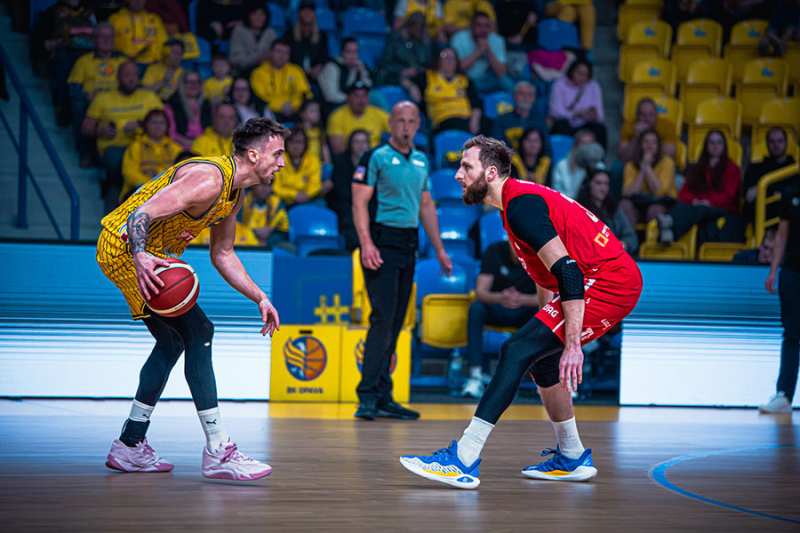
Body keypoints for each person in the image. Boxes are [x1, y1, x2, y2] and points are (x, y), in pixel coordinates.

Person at [400, 135, 643, 488]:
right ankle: (572, 456)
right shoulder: (512, 209)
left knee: (514, 349)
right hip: (598, 281)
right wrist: (547, 337)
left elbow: (569, 271)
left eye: (466, 166)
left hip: (611, 282)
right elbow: (548, 281)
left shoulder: (521, 206)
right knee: (537, 356)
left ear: (492, 172)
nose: (457, 175)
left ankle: (463, 459)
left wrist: (572, 343)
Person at [96, 117, 287, 479]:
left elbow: (223, 253)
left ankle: (130, 444)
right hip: (126, 248)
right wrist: (140, 256)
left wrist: (259, 296)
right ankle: (218, 449)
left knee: (173, 343)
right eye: (276, 154)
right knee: (199, 331)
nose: (282, 162)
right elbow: (141, 214)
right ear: (253, 155)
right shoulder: (208, 179)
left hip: (147, 252)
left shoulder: (234, 192)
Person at [352, 101, 453, 420]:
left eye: (411, 121)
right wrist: (366, 243)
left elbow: (426, 207)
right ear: (391, 123)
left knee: (396, 322)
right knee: (382, 318)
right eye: (400, 121)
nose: (406, 127)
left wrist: (439, 248)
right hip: (381, 241)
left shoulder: (422, 160)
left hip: (408, 243)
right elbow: (359, 203)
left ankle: (383, 395)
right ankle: (366, 396)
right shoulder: (375, 157)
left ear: (418, 124)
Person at [82, 61, 164, 213]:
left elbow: (164, 122)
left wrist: (142, 125)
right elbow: (86, 128)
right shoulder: (103, 98)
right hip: (115, 148)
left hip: (145, 146)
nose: (132, 79)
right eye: (127, 75)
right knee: (117, 162)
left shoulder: (149, 97)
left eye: (134, 75)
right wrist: (100, 130)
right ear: (118, 77)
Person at [462, 240, 538, 399]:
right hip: (498, 307)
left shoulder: (538, 254)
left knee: (546, 313)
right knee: (476, 308)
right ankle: (475, 376)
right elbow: (480, 293)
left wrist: (521, 299)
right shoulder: (494, 251)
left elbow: (545, 298)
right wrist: (501, 297)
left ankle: (543, 380)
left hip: (525, 311)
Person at [657, 130, 743, 244]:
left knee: (701, 209)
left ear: (724, 146)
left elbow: (728, 196)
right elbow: (684, 193)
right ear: (706, 145)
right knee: (680, 205)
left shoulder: (733, 169)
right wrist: (695, 201)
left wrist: (708, 202)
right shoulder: (696, 168)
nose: (715, 146)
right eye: (712, 142)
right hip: (698, 206)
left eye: (719, 142)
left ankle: (670, 225)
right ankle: (669, 229)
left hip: (723, 209)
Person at [761, 184, 800, 413]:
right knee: (791, 334)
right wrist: (773, 270)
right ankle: (784, 396)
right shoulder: (790, 193)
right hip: (793, 272)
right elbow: (782, 234)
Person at [67, 22, 125, 167]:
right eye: (102, 37)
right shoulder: (83, 61)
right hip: (91, 102)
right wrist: (85, 96)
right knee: (79, 105)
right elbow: (73, 89)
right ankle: (85, 151)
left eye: (110, 37)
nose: (106, 40)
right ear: (94, 39)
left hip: (119, 101)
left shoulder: (122, 61)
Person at [33, 0, 97, 126]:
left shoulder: (92, 11)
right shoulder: (53, 12)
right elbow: (40, 45)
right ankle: (63, 106)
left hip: (91, 55)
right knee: (64, 60)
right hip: (66, 54)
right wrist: (56, 43)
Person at [403, 46, 484, 135]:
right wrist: (411, 87)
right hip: (443, 120)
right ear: (438, 59)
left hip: (467, 119)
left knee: (489, 124)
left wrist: (474, 121)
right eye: (445, 56)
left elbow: (476, 104)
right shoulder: (428, 77)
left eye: (453, 58)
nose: (449, 60)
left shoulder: (465, 80)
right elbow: (402, 78)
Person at [618, 129, 678, 228]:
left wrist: (647, 167)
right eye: (646, 142)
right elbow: (627, 193)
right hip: (639, 204)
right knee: (624, 205)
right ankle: (629, 241)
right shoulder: (631, 165)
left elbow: (659, 192)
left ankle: (653, 243)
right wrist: (642, 170)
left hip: (662, 205)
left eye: (653, 142)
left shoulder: (667, 162)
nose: (650, 145)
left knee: (654, 210)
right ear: (640, 145)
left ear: (659, 145)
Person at [120, 108, 182, 201]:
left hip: (169, 192)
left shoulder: (176, 148)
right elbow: (129, 173)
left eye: (162, 122)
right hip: (140, 192)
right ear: (146, 125)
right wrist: (152, 186)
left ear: (167, 126)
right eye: (153, 122)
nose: (157, 125)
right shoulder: (136, 146)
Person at [549, 58, 607, 149]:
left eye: (585, 75)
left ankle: (599, 160)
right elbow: (555, 111)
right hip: (568, 123)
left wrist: (594, 115)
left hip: (585, 124)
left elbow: (600, 116)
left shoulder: (593, 86)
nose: (582, 77)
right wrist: (575, 114)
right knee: (560, 125)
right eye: (579, 73)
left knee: (600, 129)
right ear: (572, 71)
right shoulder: (559, 85)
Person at [743, 127, 798, 224]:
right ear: (767, 144)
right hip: (762, 217)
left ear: (786, 143)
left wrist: (763, 190)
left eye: (780, 141)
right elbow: (749, 197)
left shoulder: (795, 169)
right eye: (772, 141)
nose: (776, 145)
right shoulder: (755, 168)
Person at [451, 11, 514, 94]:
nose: (483, 30)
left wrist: (489, 51)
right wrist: (478, 51)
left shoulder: (497, 40)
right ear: (472, 26)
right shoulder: (459, 38)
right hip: (464, 80)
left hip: (485, 79)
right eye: (479, 25)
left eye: (486, 26)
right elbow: (457, 68)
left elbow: (501, 73)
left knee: (506, 82)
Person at [577, 168, 638, 253]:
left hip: (613, 258)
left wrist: (622, 245)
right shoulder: (578, 209)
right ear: (588, 184)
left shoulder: (615, 210)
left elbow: (632, 238)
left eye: (606, 184)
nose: (603, 188)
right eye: (598, 183)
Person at [328, 130, 371, 251]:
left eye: (364, 142)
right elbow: (340, 189)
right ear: (350, 145)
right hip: (345, 204)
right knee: (352, 216)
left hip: (367, 203)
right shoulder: (340, 161)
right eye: (357, 142)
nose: (361, 145)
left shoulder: (373, 163)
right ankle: (354, 250)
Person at [250, 40, 313, 121]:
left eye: (286, 53)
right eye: (279, 51)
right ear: (270, 52)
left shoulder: (296, 71)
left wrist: (293, 105)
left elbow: (306, 94)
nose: (282, 56)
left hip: (295, 111)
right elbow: (260, 100)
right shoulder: (258, 73)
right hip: (270, 113)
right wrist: (280, 106)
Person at [272, 126, 330, 208]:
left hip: (308, 198)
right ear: (286, 143)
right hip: (285, 200)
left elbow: (315, 184)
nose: (296, 146)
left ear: (305, 144)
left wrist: (307, 195)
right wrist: (295, 195)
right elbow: (276, 187)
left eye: (299, 142)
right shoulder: (277, 160)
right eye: (292, 142)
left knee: (321, 204)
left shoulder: (313, 160)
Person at [327, 81, 390, 155]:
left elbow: (398, 130)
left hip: (375, 157)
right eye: (356, 96)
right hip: (349, 159)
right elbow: (337, 149)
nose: (361, 100)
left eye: (364, 96)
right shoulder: (337, 116)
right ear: (348, 98)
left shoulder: (378, 113)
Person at [491, 80, 550, 155]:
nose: (526, 98)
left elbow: (547, 148)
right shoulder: (502, 120)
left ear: (534, 99)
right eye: (522, 94)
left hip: (534, 164)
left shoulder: (540, 121)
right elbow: (496, 146)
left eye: (529, 95)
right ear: (514, 96)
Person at [318, 39, 374, 115]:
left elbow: (368, 89)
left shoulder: (358, 67)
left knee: (375, 96)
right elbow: (330, 96)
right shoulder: (332, 67)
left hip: (352, 104)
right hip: (333, 106)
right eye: (349, 51)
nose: (353, 55)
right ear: (342, 52)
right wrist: (352, 99)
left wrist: (363, 72)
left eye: (355, 52)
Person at [377, 12, 433, 86]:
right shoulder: (396, 38)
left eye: (420, 28)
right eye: (415, 27)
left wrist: (420, 70)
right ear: (409, 25)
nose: (417, 31)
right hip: (397, 76)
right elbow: (386, 64)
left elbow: (428, 63)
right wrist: (402, 71)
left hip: (420, 77)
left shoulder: (425, 41)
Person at [618, 97, 678, 164]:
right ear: (637, 115)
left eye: (651, 115)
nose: (647, 119)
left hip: (660, 163)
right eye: (643, 115)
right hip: (636, 163)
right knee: (617, 165)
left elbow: (670, 153)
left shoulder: (667, 126)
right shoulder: (628, 126)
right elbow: (623, 157)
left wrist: (649, 144)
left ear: (657, 114)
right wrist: (636, 137)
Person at [108, 0, 168, 67]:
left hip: (153, 65)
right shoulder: (115, 20)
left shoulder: (154, 19)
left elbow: (165, 44)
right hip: (127, 66)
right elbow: (109, 46)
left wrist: (159, 59)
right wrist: (123, 58)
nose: (138, 1)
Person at [284, 1, 329, 83]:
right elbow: (285, 57)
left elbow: (324, 58)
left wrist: (318, 67)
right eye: (304, 10)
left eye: (310, 11)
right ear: (299, 13)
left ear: (314, 14)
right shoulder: (289, 35)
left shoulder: (322, 36)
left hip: (315, 76)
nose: (307, 13)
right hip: (293, 75)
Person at [228, 2, 276, 77]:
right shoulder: (239, 31)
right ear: (248, 15)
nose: (259, 18)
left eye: (262, 14)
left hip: (265, 73)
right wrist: (256, 59)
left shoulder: (270, 33)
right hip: (242, 72)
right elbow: (235, 58)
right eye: (255, 14)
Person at [164, 70, 208, 151]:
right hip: (179, 147)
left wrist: (200, 143)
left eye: (197, 81)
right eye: (189, 81)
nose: (193, 85)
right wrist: (188, 142)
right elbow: (171, 133)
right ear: (182, 84)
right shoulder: (172, 105)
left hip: (204, 146)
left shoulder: (207, 105)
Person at [551, 130, 601, 199]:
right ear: (575, 146)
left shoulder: (599, 167)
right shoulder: (561, 166)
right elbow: (557, 190)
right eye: (583, 143)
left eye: (589, 144)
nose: (586, 148)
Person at [241, 182, 290, 249]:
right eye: (261, 184)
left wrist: (267, 240)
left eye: (268, 185)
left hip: (270, 241)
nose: (264, 189)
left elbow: (283, 232)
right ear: (253, 185)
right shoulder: (242, 201)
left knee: (290, 248)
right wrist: (254, 234)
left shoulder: (277, 203)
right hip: (245, 240)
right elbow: (235, 227)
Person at [298, 99, 331, 165]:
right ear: (302, 114)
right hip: (302, 166)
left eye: (318, 111)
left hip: (317, 165)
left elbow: (324, 147)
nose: (317, 114)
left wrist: (327, 164)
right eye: (313, 111)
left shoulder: (319, 131)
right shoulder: (297, 131)